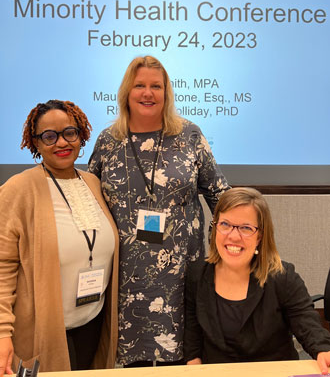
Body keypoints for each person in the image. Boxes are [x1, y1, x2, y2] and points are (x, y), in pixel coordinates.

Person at [88, 55, 229, 366]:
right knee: (128, 361)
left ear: (167, 93)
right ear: (127, 91)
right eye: (139, 85)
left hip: (182, 273)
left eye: (156, 86)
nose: (147, 93)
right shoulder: (108, 142)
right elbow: (89, 201)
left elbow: (221, 196)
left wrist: (236, 240)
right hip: (125, 276)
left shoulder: (189, 135)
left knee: (184, 359)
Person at [0, 100, 119, 375]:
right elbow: (2, 269)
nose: (62, 142)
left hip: (92, 323)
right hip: (42, 333)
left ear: (82, 135)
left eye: (70, 133)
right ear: (36, 143)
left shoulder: (93, 184)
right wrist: (2, 334)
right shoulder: (18, 189)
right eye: (49, 136)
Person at [184, 187, 330, 374]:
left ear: (260, 236)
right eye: (225, 224)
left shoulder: (283, 277)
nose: (233, 236)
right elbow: (192, 346)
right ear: (215, 227)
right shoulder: (197, 275)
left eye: (246, 228)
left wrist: (324, 350)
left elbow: (307, 325)